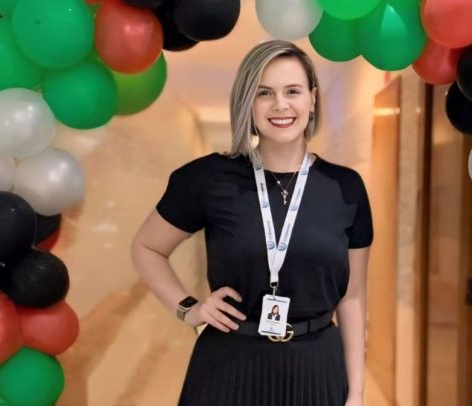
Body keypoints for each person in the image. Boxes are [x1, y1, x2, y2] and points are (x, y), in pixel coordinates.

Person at [131, 40, 373, 406]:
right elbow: (147, 247)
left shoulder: (345, 187)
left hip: (316, 367)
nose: (280, 105)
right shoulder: (209, 179)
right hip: (229, 367)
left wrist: (356, 392)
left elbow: (352, 298)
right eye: (264, 93)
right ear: (247, 101)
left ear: (312, 99)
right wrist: (189, 308)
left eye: (292, 91)